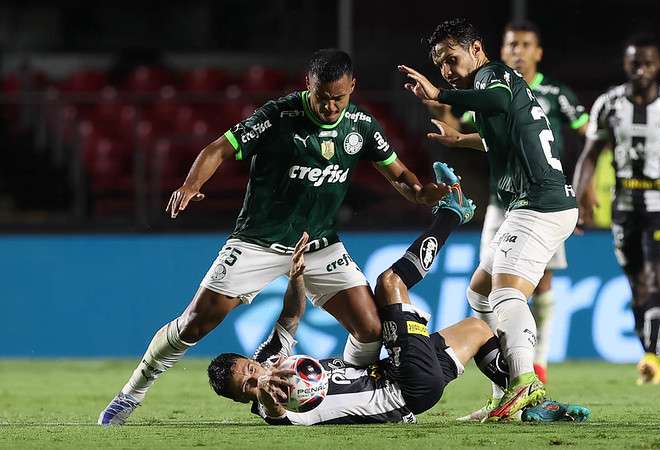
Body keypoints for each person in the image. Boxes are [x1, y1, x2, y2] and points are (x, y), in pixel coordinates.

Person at [98, 49, 450, 425]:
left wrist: (423, 193)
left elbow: (401, 177)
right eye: (322, 97)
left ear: (352, 88)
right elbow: (219, 148)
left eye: (339, 98)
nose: (330, 107)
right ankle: (131, 394)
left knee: (370, 330)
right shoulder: (278, 117)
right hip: (257, 242)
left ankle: (357, 394)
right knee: (195, 323)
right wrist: (190, 185)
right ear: (308, 86)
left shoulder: (362, 126)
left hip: (319, 245)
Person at [208, 163, 590, 425]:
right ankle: (451, 215)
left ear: (251, 360)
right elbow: (279, 414)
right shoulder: (279, 405)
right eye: (248, 386)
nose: (259, 379)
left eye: (252, 370)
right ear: (244, 400)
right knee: (391, 283)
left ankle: (530, 405)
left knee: (479, 329)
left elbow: (290, 319)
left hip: (398, 380)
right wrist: (271, 403)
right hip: (403, 386)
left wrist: (296, 280)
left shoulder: (270, 361)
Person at [399, 19, 578, 421]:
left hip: (540, 202)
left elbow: (496, 104)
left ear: (477, 49)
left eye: (452, 58)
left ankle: (525, 385)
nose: (447, 69)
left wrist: (439, 93)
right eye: (441, 64)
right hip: (531, 203)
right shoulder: (495, 84)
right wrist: (459, 139)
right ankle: (505, 392)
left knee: (505, 294)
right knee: (480, 292)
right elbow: (503, 131)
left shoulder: (493, 75)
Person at [573, 33, 660, 384]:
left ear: (658, 65)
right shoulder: (608, 104)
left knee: (657, 277)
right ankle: (653, 356)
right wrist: (578, 202)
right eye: (635, 63)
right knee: (637, 285)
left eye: (648, 63)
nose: (641, 70)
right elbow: (589, 156)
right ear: (626, 64)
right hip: (624, 207)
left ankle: (652, 357)